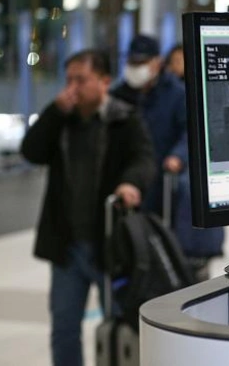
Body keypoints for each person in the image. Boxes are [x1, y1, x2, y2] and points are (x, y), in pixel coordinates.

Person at [21, 49, 156, 366]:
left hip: (109, 243)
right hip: (66, 246)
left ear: (104, 81)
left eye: (80, 79)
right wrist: (54, 112)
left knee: (120, 323)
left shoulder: (124, 118)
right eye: (68, 79)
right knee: (64, 329)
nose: (72, 87)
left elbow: (145, 159)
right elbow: (31, 151)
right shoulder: (60, 120)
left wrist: (131, 183)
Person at [111, 35, 188, 216]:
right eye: (132, 62)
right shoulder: (119, 95)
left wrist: (177, 156)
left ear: (157, 63)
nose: (136, 67)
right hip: (128, 179)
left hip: (163, 179)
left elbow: (189, 131)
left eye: (142, 62)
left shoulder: (177, 93)